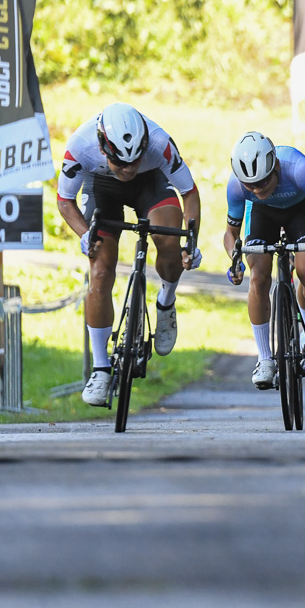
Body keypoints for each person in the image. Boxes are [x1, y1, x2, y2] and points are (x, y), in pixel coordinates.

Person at [56, 102, 203, 407]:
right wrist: (85, 235)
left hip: (151, 187)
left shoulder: (161, 144)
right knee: (100, 270)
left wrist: (191, 240)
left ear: (145, 146)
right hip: (102, 190)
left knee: (169, 243)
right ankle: (100, 369)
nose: (127, 169)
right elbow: (65, 200)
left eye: (134, 161)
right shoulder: (80, 145)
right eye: (119, 163)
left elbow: (189, 193)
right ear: (102, 147)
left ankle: (166, 301)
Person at [223, 132, 305, 390]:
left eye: (263, 183)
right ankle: (265, 359)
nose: (257, 189)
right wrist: (234, 260)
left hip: (299, 211)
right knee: (259, 276)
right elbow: (231, 233)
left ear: (275, 167)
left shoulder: (299, 170)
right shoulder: (236, 186)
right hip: (261, 216)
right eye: (250, 185)